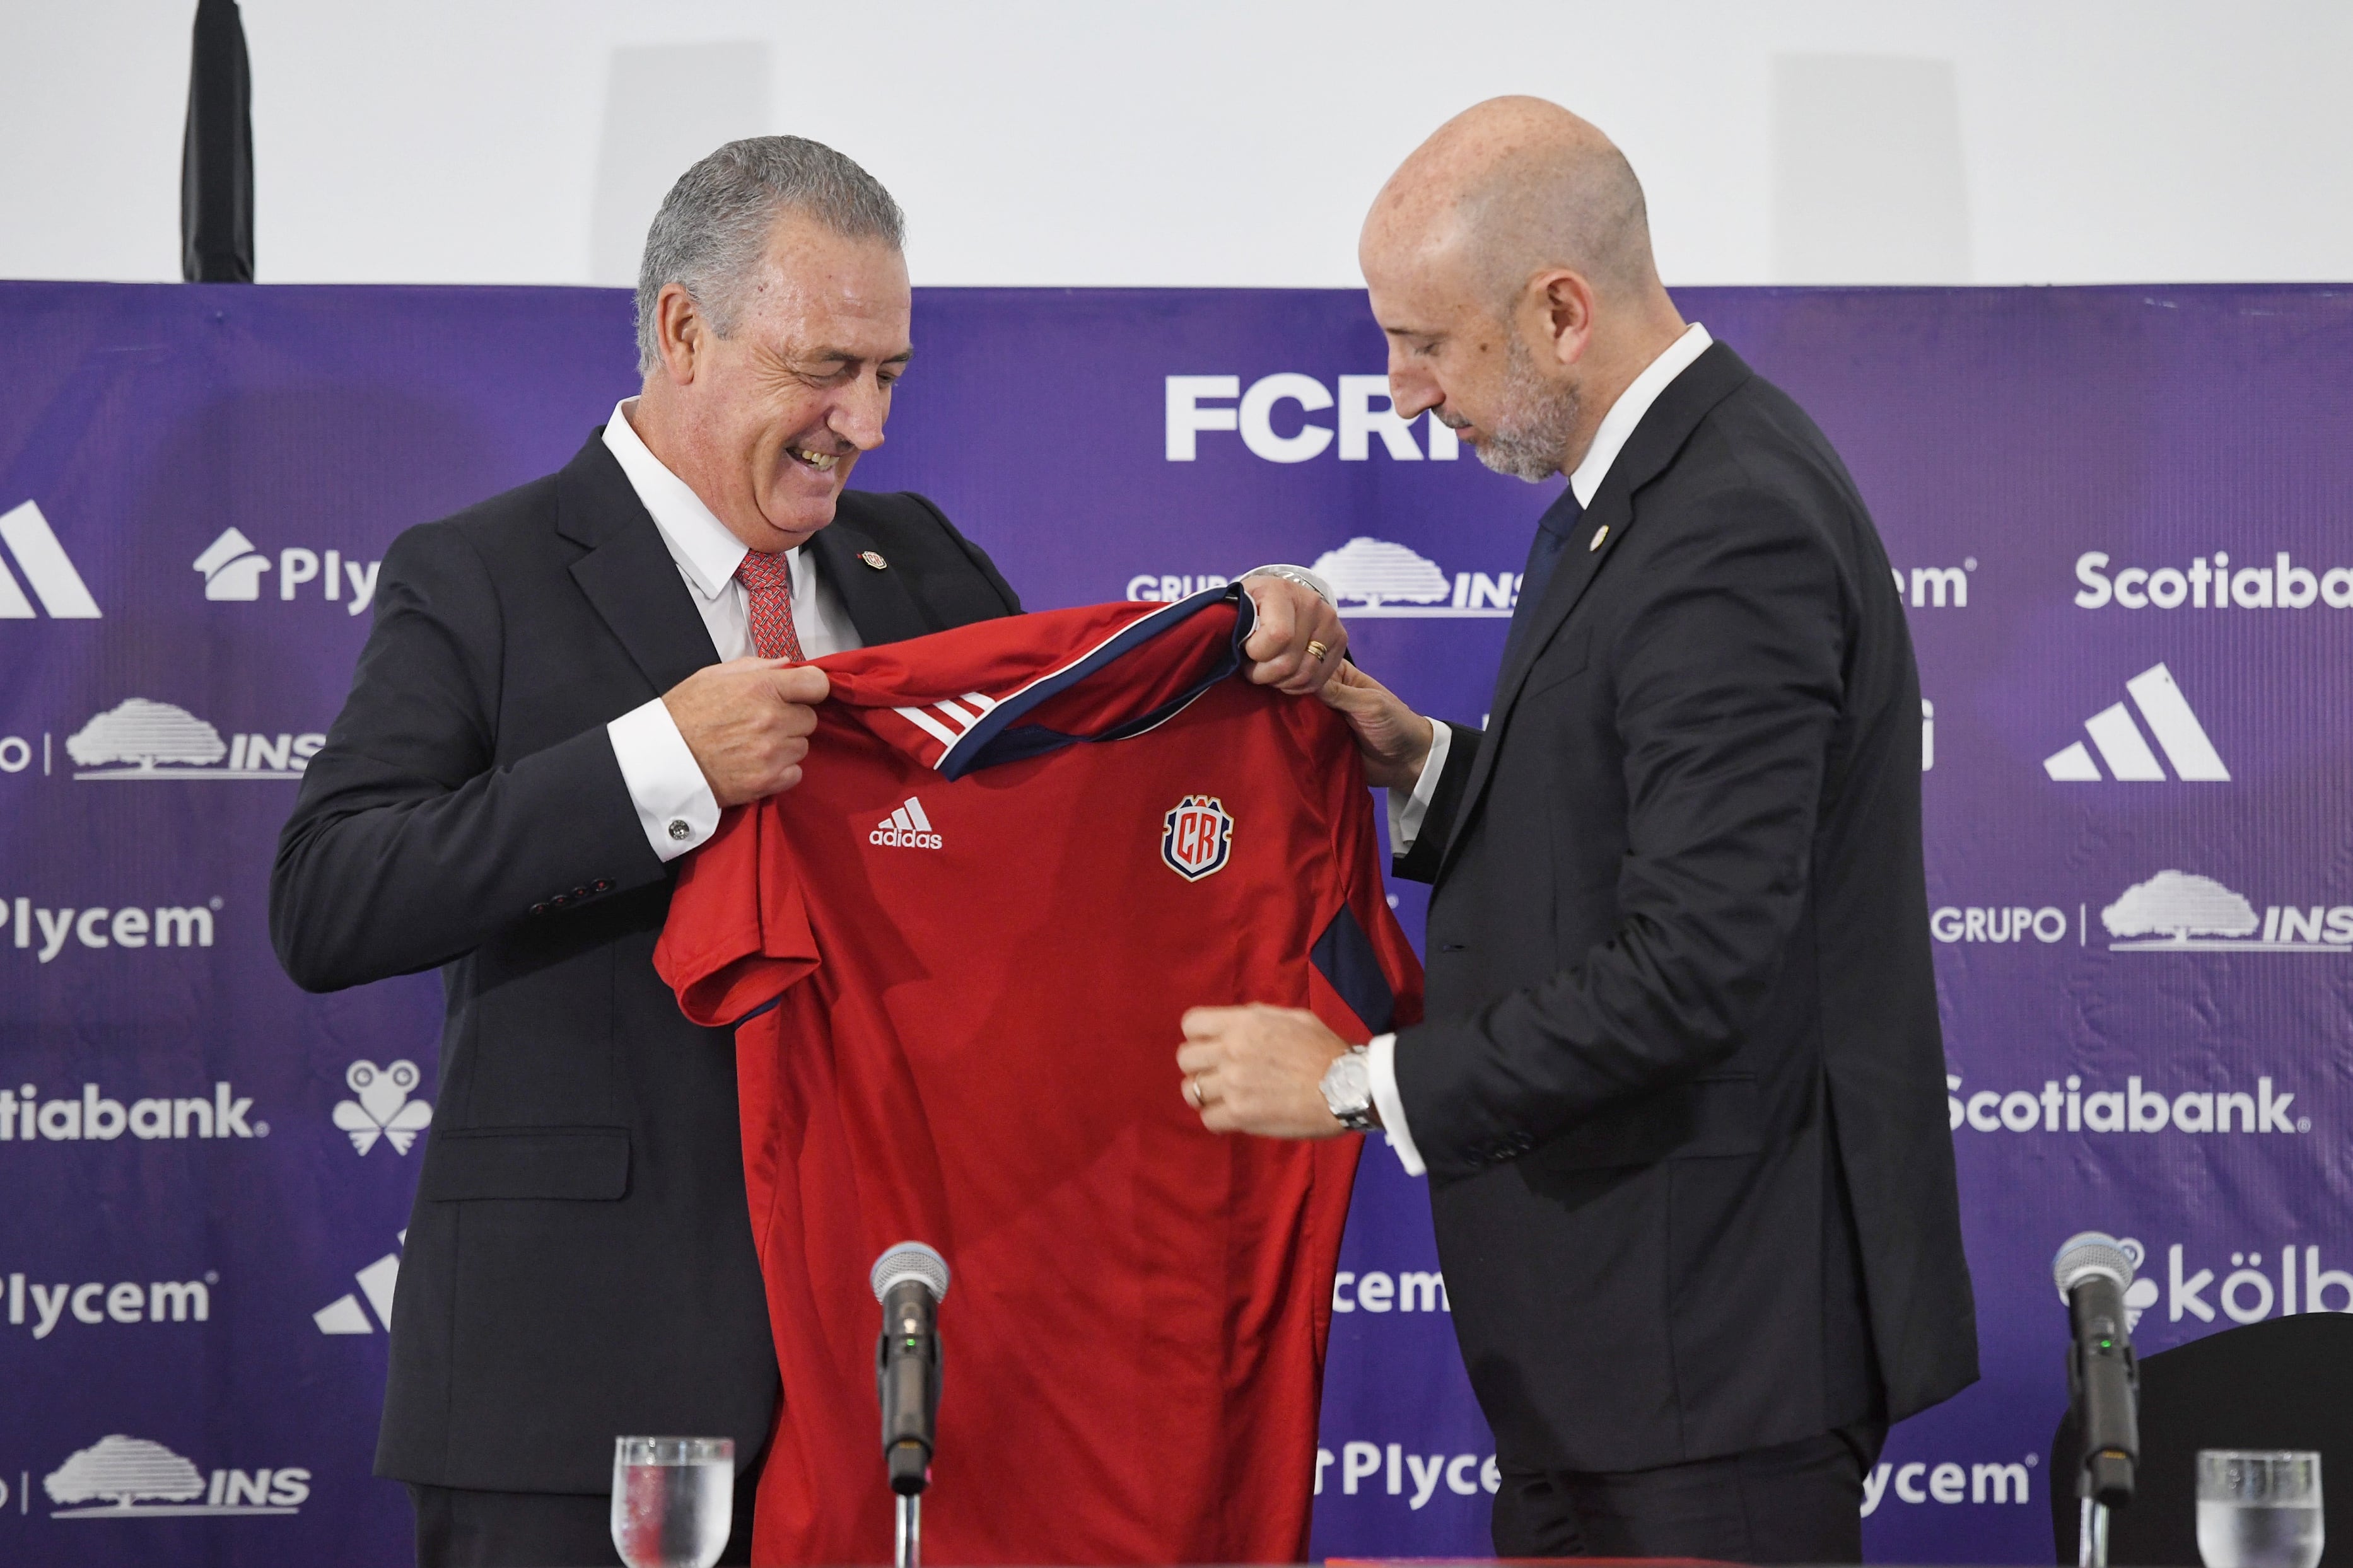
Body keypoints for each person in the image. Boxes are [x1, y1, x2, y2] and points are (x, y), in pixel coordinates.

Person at [270, 136, 1343, 1568]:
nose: (870, 422)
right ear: (684, 330)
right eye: (829, 367)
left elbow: (1077, 809)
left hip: (903, 1370)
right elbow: (329, 893)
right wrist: (658, 767)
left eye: (892, 373)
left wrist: (1234, 641)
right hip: (588, 1385)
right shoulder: (486, 574)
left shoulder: (925, 562)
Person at [1177, 97, 1978, 1562]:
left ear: (1558, 310)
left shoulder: (1733, 519)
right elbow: (1618, 827)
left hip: (1709, 1369)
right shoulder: (1622, 496)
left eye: (1426, 341)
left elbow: (1692, 962)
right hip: (1625, 1367)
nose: (1404, 390)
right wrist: (1413, 756)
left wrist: (1357, 1081)